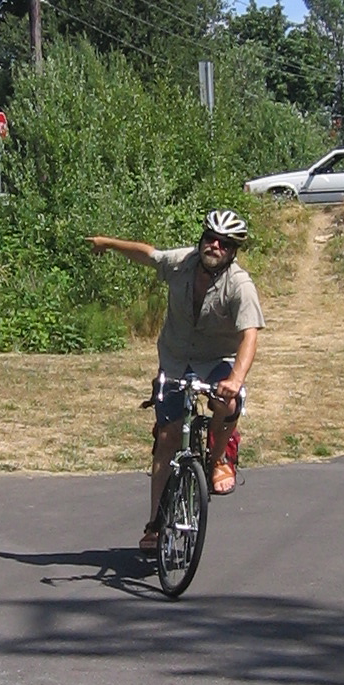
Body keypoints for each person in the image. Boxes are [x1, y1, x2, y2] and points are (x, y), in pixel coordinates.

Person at [87, 209, 264, 556]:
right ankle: (155, 522)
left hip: (217, 361)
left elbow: (250, 336)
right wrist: (107, 243)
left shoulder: (240, 285)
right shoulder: (183, 262)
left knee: (227, 403)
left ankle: (217, 459)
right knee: (167, 438)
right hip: (175, 358)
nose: (214, 245)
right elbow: (147, 254)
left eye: (223, 243)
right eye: (210, 238)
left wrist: (236, 378)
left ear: (233, 251)